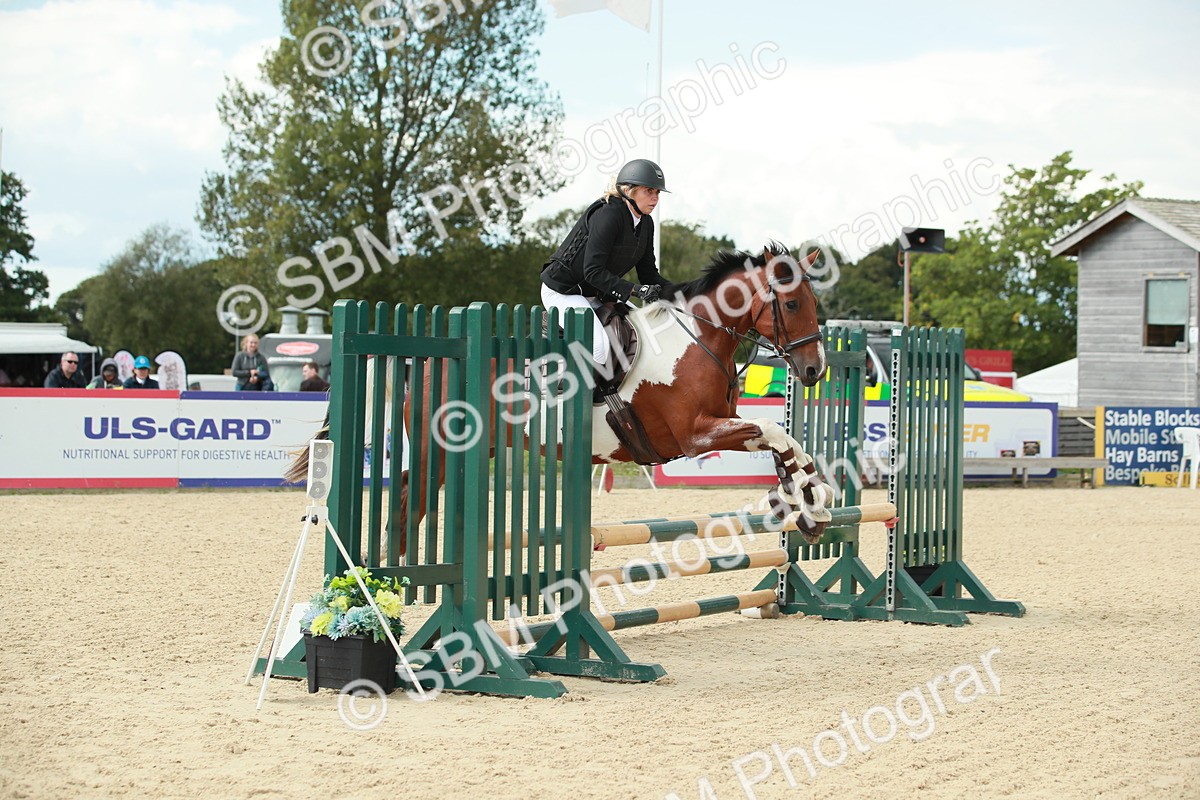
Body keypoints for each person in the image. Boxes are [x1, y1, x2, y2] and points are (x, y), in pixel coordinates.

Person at [540, 158, 672, 366]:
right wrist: (636, 290)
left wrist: (683, 293)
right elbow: (593, 271)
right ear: (628, 191)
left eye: (657, 192)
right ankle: (566, 382)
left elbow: (648, 274)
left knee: (644, 335)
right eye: (649, 191)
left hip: (597, 293)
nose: (655, 198)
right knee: (599, 349)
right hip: (564, 291)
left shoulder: (646, 223)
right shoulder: (608, 214)